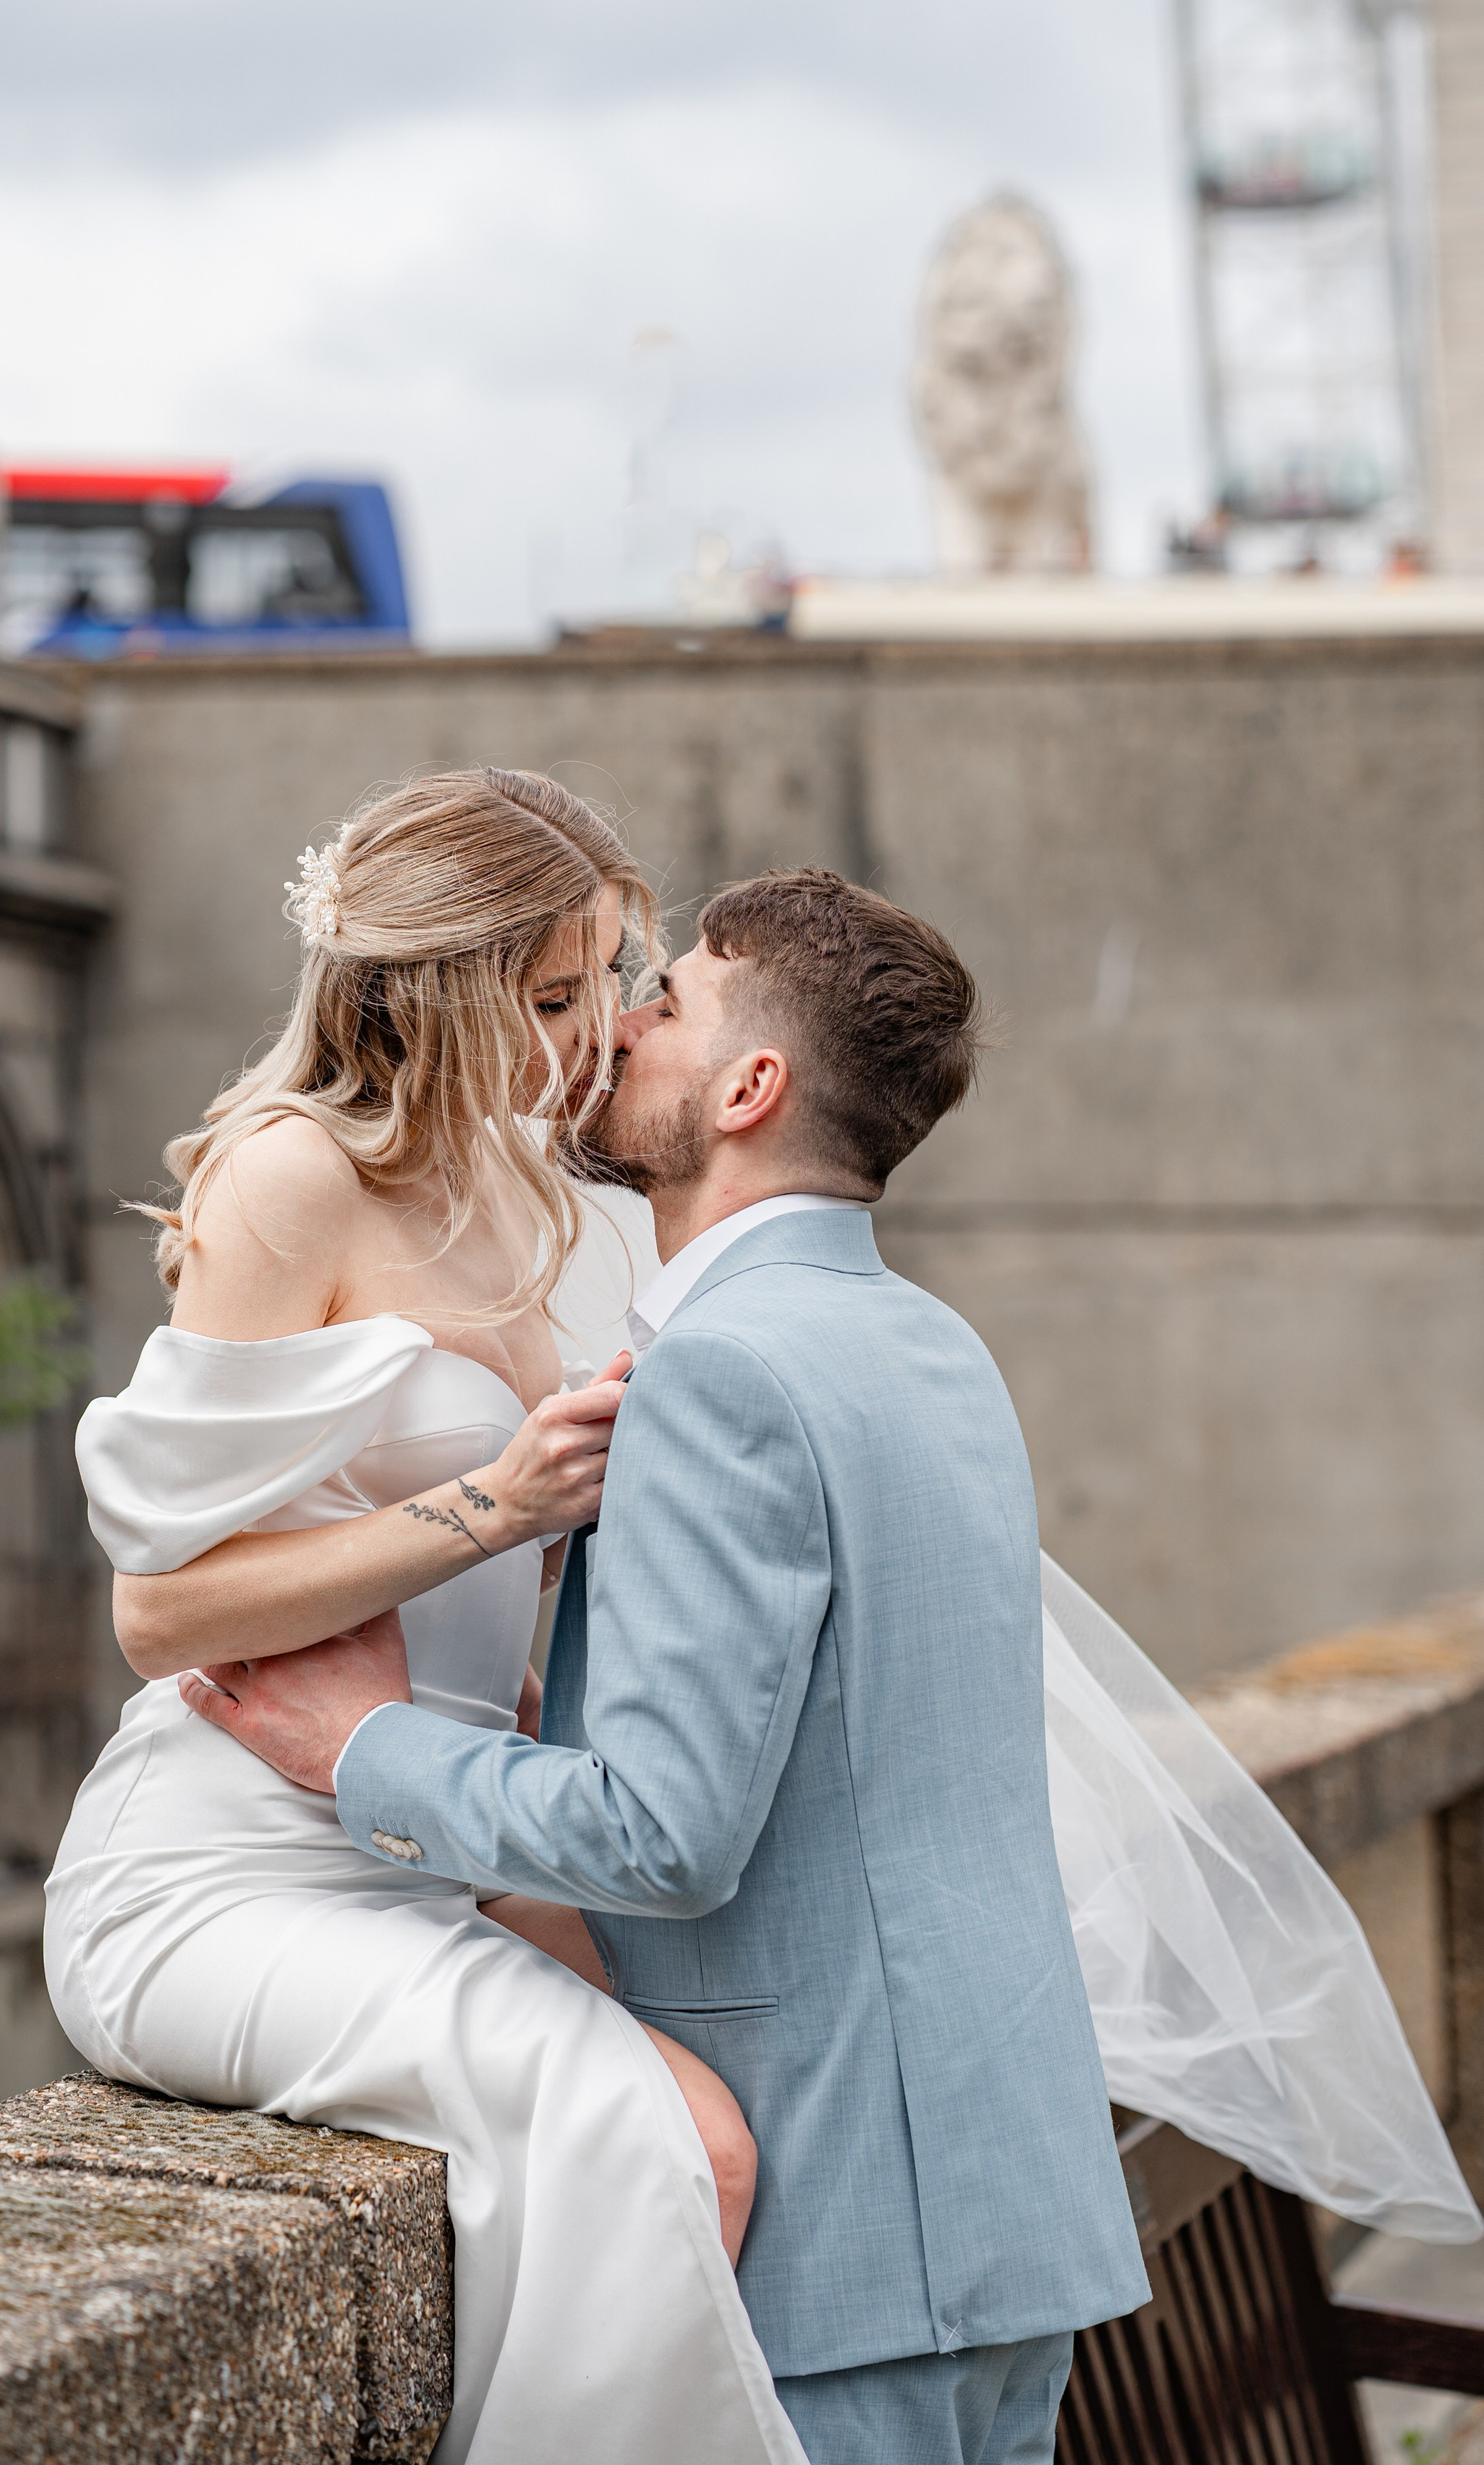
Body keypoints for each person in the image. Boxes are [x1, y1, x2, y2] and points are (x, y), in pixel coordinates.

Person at [183, 863, 1152, 2464]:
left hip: (844, 2221)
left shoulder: (718, 1374)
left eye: (666, 1001)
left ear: (750, 1088)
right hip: (1004, 2201)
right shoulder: (929, 1345)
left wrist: (357, 1745)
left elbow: (664, 1834)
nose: (618, 1024)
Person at [46, 769, 809, 2465]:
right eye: (553, 995)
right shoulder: (289, 1178)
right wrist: (499, 1503)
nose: (595, 1032)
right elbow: (162, 1609)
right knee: (685, 2146)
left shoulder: (545, 1193)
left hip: (442, 1846)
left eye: (609, 981)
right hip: (225, 1869)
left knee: (774, 2090)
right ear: (441, 985)